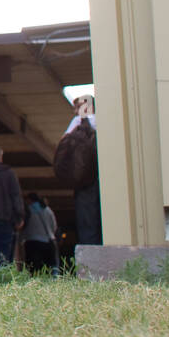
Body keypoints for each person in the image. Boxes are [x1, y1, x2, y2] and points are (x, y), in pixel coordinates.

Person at [60, 93, 102, 246]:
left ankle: (91, 263)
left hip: (84, 181)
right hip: (102, 178)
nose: (75, 111)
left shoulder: (78, 122)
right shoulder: (103, 121)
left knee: (87, 224)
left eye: (77, 107)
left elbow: (62, 144)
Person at [22, 191, 59, 273]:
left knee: (34, 268)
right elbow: (54, 226)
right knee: (51, 266)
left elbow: (24, 225)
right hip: (49, 241)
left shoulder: (28, 210)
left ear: (29, 200)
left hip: (33, 242)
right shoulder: (48, 210)